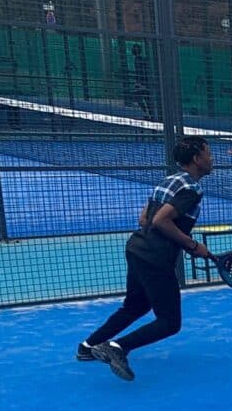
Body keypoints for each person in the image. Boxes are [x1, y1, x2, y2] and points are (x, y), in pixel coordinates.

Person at [78, 136, 214, 381]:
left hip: (137, 249)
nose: (211, 158)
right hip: (155, 258)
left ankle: (88, 346)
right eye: (208, 153)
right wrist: (193, 245)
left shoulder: (168, 181)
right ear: (196, 159)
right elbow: (161, 221)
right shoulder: (191, 190)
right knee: (170, 322)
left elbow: (145, 220)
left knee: (136, 306)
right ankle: (117, 347)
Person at [130, 44, 153, 119]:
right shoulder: (137, 59)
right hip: (141, 82)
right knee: (142, 98)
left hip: (143, 82)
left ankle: (149, 114)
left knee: (142, 98)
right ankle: (148, 113)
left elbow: (141, 72)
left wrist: (141, 84)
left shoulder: (139, 60)